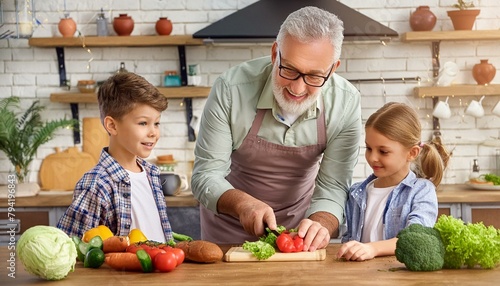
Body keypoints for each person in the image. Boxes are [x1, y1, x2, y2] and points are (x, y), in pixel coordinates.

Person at [191, 6, 362, 251]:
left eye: (314, 77)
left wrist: (320, 223)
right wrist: (243, 205)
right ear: (275, 54)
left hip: (297, 236)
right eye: (289, 69)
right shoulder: (231, 89)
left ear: (333, 69)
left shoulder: (345, 102)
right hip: (227, 231)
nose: (298, 88)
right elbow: (205, 175)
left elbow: (334, 186)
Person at [57, 72, 173, 243]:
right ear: (112, 125)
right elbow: (71, 248)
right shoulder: (96, 184)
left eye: (156, 123)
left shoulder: (151, 174)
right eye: (143, 123)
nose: (153, 132)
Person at [337, 102, 451, 261]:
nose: (372, 158)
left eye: (383, 151)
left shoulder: (421, 191)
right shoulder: (357, 192)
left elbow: (416, 236)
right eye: (369, 148)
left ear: (412, 153)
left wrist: (372, 248)